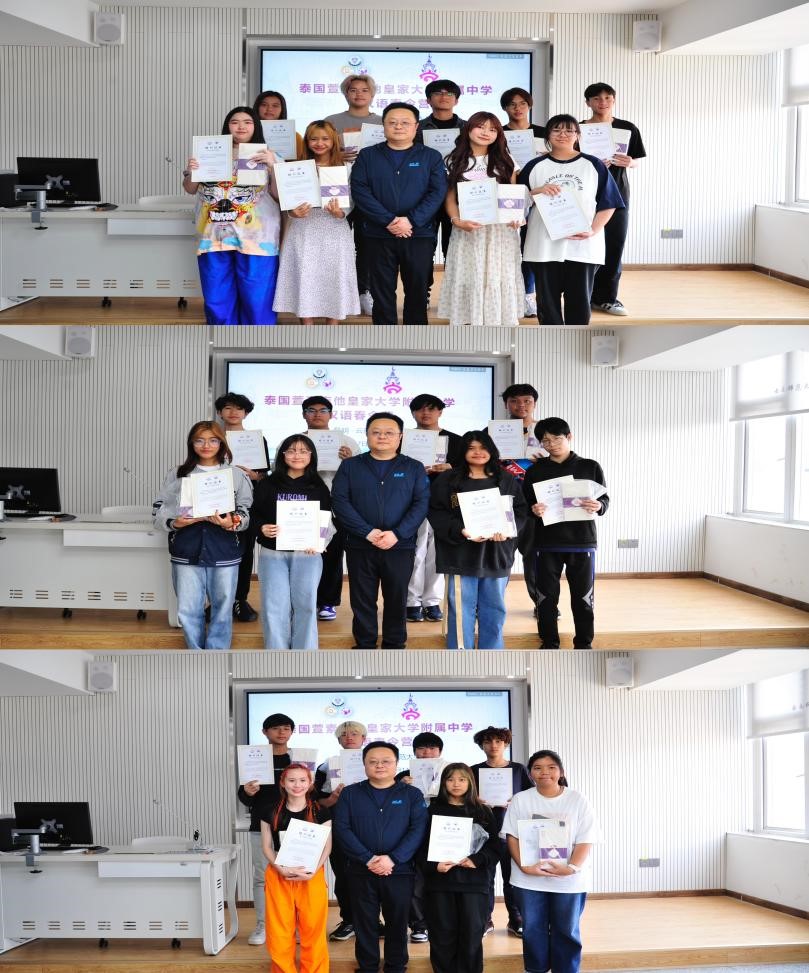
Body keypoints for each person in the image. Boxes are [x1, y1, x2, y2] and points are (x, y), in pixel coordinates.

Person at [331, 412, 430, 650]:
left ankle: (394, 644)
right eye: (376, 432)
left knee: (396, 597)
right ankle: (364, 644)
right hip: (360, 544)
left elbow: (421, 504)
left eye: (389, 433)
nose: (382, 437)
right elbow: (340, 501)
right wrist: (367, 532)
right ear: (366, 435)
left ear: (400, 437)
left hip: (400, 545)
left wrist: (397, 534)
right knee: (362, 598)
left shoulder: (413, 467)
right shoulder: (350, 466)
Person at [152, 421, 251, 650]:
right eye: (199, 440)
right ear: (191, 443)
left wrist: (232, 522)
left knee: (223, 609)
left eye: (213, 440)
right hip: (186, 548)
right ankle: (196, 654)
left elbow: (246, 511)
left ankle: (216, 656)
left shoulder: (235, 475)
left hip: (224, 550)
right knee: (188, 609)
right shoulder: (178, 474)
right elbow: (159, 510)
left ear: (221, 443)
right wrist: (175, 523)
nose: (206, 445)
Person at [518, 114, 624, 327]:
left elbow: (609, 203)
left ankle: (576, 344)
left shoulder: (593, 164)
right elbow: (517, 204)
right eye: (556, 130)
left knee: (579, 305)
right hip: (543, 246)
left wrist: (593, 230)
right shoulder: (534, 166)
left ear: (578, 135)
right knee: (547, 307)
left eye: (569, 130)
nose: (563, 134)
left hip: (582, 246)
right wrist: (536, 191)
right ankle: (552, 345)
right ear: (548, 135)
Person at [333, 741, 428, 973]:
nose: (379, 766)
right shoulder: (350, 794)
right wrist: (368, 859)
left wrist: (392, 859)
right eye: (373, 761)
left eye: (386, 761)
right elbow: (342, 829)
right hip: (360, 870)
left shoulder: (412, 794)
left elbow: (418, 830)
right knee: (364, 923)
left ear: (396, 764)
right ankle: (367, 967)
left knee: (398, 922)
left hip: (400, 870)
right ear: (364, 764)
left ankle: (396, 966)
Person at [503, 749, 602, 973]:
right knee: (532, 929)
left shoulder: (577, 799)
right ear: (530, 773)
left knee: (566, 929)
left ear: (561, 772)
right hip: (529, 879)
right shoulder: (521, 799)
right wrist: (525, 867)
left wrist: (571, 868)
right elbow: (512, 836)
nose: (544, 772)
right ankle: (535, 969)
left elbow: (587, 837)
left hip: (568, 880)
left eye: (551, 767)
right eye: (537, 768)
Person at [349, 102, 447, 326]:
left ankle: (415, 339)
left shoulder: (431, 156)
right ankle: (385, 340)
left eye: (405, 122)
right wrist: (389, 220)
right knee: (381, 292)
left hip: (418, 234)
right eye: (392, 122)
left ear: (416, 127)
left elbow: (437, 192)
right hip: (378, 234)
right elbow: (360, 191)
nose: (398, 126)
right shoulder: (367, 156)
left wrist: (411, 221)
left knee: (418, 290)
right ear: (383, 126)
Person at [183, 106, 281, 325]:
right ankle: (223, 337)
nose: (241, 127)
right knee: (216, 296)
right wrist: (193, 171)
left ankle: (258, 341)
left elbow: (278, 195)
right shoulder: (209, 153)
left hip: (258, 238)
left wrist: (273, 166)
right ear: (227, 126)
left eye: (247, 122)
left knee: (257, 297)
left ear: (256, 126)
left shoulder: (269, 155)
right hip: (214, 236)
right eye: (235, 122)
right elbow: (190, 189)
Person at [429, 430, 528, 650]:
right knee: (461, 609)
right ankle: (460, 656)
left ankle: (491, 655)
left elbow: (520, 511)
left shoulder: (505, 479)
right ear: (462, 452)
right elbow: (436, 511)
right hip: (459, 554)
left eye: (483, 448)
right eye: (471, 448)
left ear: (491, 450)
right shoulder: (448, 479)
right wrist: (460, 530)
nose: (478, 452)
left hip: (496, 553)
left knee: (494, 608)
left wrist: (508, 530)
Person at [522, 417, 609, 650]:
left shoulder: (590, 466)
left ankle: (583, 643)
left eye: (557, 439)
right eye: (546, 441)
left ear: (569, 437)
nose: (551, 445)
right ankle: (549, 642)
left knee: (583, 597)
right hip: (546, 542)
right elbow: (526, 505)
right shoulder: (536, 470)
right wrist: (533, 510)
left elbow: (604, 499)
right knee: (546, 598)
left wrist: (598, 505)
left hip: (582, 542)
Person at [438, 112, 525, 327]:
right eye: (481, 127)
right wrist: (456, 221)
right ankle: (469, 320)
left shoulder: (506, 160)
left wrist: (516, 218)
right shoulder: (453, 160)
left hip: (499, 231)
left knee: (497, 274)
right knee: (470, 274)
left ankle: (496, 321)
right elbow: (450, 199)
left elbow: (512, 195)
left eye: (492, 129)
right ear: (468, 129)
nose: (486, 133)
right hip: (467, 228)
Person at [272, 120, 360, 324]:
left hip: (334, 229)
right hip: (304, 228)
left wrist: (341, 212)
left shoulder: (346, 168)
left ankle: (333, 324)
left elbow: (352, 200)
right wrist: (292, 212)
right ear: (306, 141)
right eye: (314, 139)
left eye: (325, 139)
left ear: (334, 141)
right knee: (305, 275)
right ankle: (307, 324)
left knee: (334, 276)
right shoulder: (296, 168)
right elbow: (287, 199)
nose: (319, 143)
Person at [252, 434, 331, 650]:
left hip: (307, 554)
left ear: (311, 456)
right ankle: (277, 654)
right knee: (274, 606)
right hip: (273, 553)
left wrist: (319, 541)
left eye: (303, 451)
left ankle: (305, 655)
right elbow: (254, 514)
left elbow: (326, 520)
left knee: (306, 605)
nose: (297, 455)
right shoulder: (268, 484)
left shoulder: (318, 486)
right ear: (282, 455)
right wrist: (262, 527)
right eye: (292, 451)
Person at [421, 763, 499, 973]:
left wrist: (477, 859)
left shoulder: (482, 811)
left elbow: (495, 846)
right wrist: (434, 865)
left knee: (472, 936)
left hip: (474, 884)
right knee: (442, 936)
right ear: (443, 783)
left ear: (470, 782)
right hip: (440, 884)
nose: (456, 784)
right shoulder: (431, 811)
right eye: (450, 779)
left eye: (462, 779)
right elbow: (420, 847)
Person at [581, 83, 646, 317]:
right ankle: (583, 296)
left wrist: (630, 162)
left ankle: (607, 298)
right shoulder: (578, 128)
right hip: (585, 195)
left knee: (614, 245)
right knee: (583, 244)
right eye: (597, 98)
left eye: (608, 98)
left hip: (617, 193)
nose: (603, 102)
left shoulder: (627, 128)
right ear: (588, 102)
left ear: (614, 100)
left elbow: (636, 160)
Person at [259, 763, 331, 973]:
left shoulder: (321, 812)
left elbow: (327, 847)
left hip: (311, 875)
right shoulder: (270, 811)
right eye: (291, 780)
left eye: (302, 780)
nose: (297, 785)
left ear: (310, 783)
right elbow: (266, 846)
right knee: (279, 931)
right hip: (279, 875)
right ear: (283, 783)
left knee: (313, 930)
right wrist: (280, 868)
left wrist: (313, 871)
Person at [325, 74, 384, 317]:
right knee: (333, 244)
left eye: (364, 90)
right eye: (353, 90)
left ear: (372, 94)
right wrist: (337, 154)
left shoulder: (382, 122)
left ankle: (364, 291)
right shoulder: (331, 121)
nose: (359, 94)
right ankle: (331, 293)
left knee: (367, 245)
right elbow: (319, 149)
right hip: (337, 189)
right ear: (345, 93)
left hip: (372, 191)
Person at [300, 395, 361, 622]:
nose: (317, 414)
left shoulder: (347, 442)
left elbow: (361, 474)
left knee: (333, 554)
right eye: (311, 410)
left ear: (331, 414)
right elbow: (280, 470)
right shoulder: (295, 441)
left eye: (323, 410)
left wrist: (350, 461)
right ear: (304, 414)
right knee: (303, 553)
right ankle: (303, 601)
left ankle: (327, 601)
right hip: (304, 505)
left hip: (338, 506)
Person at [405, 393, 464, 623]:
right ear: (413, 413)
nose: (425, 413)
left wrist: (450, 467)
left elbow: (468, 469)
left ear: (440, 412)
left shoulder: (456, 441)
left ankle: (431, 601)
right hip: (411, 501)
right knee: (414, 552)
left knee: (437, 553)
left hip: (444, 503)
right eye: (420, 409)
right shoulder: (403, 439)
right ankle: (411, 601)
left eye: (431, 408)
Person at [237, 713, 295, 945]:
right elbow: (244, 798)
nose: (281, 732)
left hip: (296, 827)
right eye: (275, 728)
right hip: (262, 826)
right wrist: (247, 792)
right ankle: (263, 926)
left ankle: (294, 927)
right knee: (262, 878)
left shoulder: (299, 758)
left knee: (296, 877)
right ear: (265, 732)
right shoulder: (255, 759)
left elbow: (310, 792)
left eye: (286, 728)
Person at [470, 726, 532, 937]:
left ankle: (516, 919)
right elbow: (463, 798)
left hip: (511, 832)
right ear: (481, 746)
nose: (493, 745)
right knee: (484, 879)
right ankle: (485, 919)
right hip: (483, 833)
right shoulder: (473, 770)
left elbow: (531, 797)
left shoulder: (518, 769)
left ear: (506, 744)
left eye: (498, 741)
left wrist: (517, 800)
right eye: (488, 742)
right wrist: (474, 800)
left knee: (512, 879)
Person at [215, 392, 270, 623]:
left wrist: (255, 476)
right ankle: (218, 602)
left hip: (246, 503)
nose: (233, 412)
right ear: (220, 412)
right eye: (228, 407)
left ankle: (240, 599)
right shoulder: (211, 437)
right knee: (217, 550)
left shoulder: (257, 440)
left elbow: (264, 476)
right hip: (216, 500)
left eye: (239, 408)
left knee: (245, 552)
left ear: (246, 413)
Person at [314, 721, 368, 942]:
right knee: (344, 876)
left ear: (364, 738)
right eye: (344, 735)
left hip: (371, 828)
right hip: (340, 828)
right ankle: (349, 920)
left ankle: (372, 921)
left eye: (355, 734)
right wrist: (333, 798)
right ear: (338, 740)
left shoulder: (376, 762)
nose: (349, 737)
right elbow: (317, 801)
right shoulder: (326, 766)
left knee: (372, 876)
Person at [394, 731, 447, 942]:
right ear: (414, 752)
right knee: (415, 881)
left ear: (440, 752)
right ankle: (418, 925)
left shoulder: (450, 773)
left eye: (432, 748)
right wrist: (401, 787)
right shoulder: (403, 775)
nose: (427, 753)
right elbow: (391, 803)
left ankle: (440, 923)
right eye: (422, 748)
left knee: (441, 879)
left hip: (442, 833)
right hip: (410, 834)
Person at [497, 384, 546, 614]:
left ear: (534, 403)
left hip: (536, 505)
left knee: (535, 557)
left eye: (527, 401)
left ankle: (542, 604)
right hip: (503, 503)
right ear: (506, 404)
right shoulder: (493, 431)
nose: (521, 405)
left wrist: (544, 461)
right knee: (499, 558)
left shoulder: (546, 431)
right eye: (514, 401)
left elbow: (561, 460)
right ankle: (491, 604)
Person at [500, 87, 546, 318]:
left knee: (531, 247)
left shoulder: (544, 133)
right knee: (507, 248)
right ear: (504, 108)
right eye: (511, 104)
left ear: (529, 105)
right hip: (508, 196)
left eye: (522, 103)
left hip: (540, 194)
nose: (517, 108)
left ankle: (529, 295)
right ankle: (507, 295)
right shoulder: (498, 133)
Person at [416, 79, 467, 263]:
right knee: (422, 248)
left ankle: (452, 281)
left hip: (458, 192)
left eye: (449, 94)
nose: (444, 97)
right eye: (438, 93)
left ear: (457, 100)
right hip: (425, 192)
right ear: (428, 100)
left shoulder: (468, 128)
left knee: (453, 247)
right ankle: (424, 282)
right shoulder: (416, 127)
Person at [253, 89, 305, 160]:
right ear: (257, 107)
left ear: (282, 109)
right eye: (264, 105)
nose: (269, 109)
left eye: (275, 106)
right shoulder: (247, 133)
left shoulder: (295, 137)